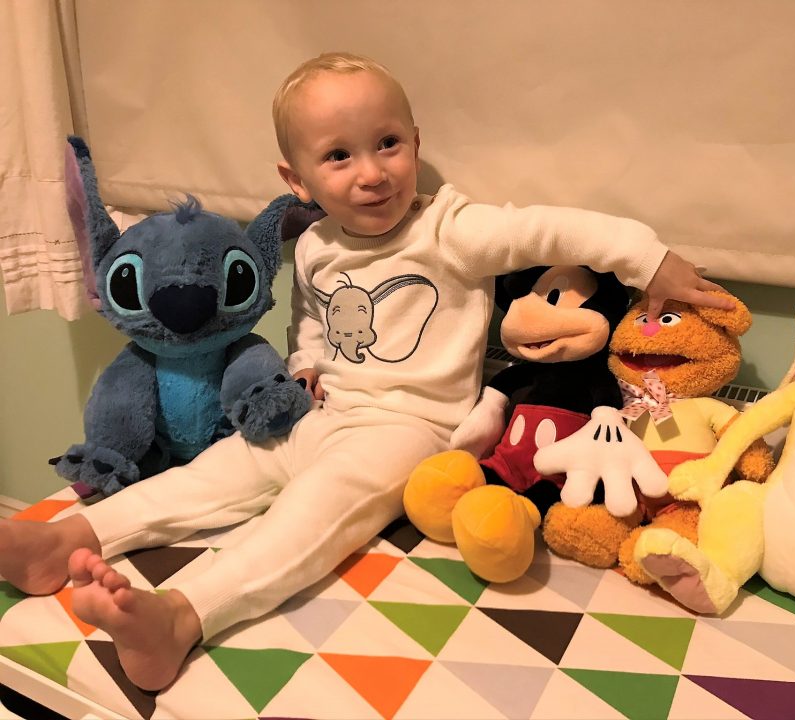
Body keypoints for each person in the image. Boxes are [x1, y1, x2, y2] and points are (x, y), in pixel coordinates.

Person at [0, 52, 731, 691]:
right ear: (299, 179)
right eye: (339, 156)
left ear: (416, 144)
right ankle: (72, 539)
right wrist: (305, 366)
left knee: (307, 514)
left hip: (406, 430)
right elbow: (312, 320)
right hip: (319, 414)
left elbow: (559, 227)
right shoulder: (315, 245)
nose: (373, 173)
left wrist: (650, 258)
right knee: (215, 472)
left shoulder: (452, 228)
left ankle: (182, 617)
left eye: (387, 145)